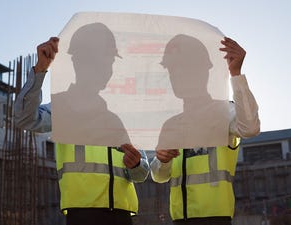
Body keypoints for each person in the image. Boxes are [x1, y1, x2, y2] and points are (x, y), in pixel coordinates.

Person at [14, 34, 150, 225]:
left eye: (109, 62)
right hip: (83, 215)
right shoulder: (65, 106)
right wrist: (40, 71)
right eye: (100, 61)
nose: (106, 69)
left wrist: (136, 165)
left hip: (122, 215)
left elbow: (142, 173)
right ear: (79, 62)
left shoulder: (121, 116)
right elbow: (25, 118)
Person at [150, 37, 260, 225]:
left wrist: (236, 74)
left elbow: (250, 128)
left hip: (215, 219)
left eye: (184, 68)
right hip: (179, 219)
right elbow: (159, 176)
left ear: (204, 70)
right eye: (173, 70)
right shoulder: (171, 124)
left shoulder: (225, 112)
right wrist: (162, 160)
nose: (177, 75)